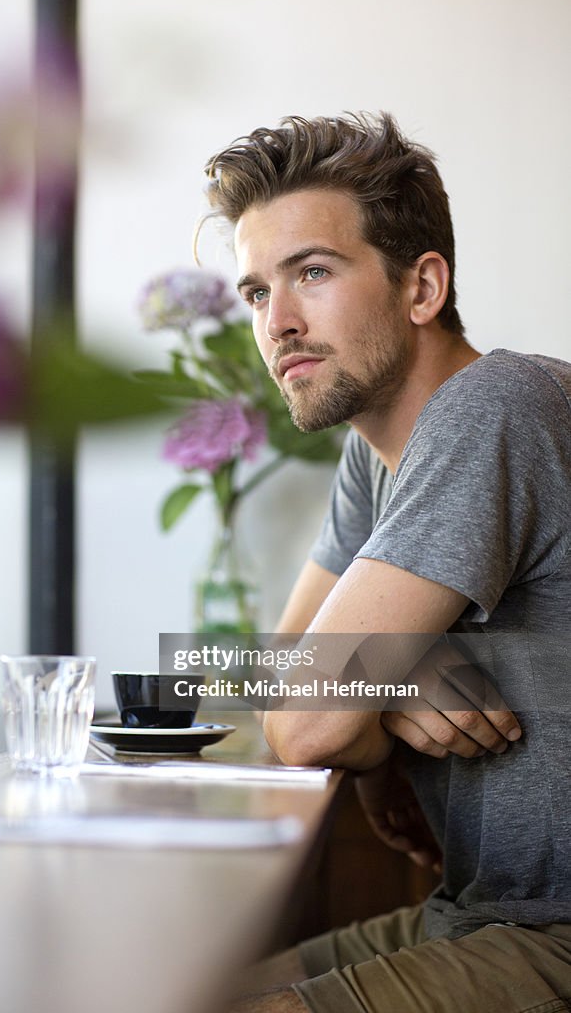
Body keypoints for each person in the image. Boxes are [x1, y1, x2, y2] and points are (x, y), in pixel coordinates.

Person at [198, 112, 571, 1012]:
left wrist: (364, 683)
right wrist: (400, 674)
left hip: (551, 931)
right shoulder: (374, 456)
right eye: (255, 293)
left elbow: (307, 724)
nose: (277, 323)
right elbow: (272, 672)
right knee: (191, 991)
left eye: (312, 273)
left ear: (421, 287)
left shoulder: (497, 406)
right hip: (480, 913)